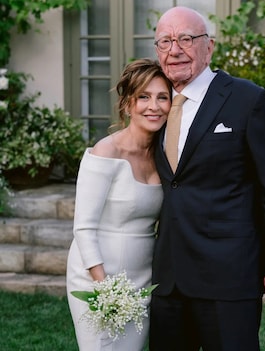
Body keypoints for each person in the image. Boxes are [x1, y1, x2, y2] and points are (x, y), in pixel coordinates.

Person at [149, 6, 265, 351]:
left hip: (229, 276)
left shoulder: (247, 99)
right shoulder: (155, 103)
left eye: (186, 39)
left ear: (209, 46)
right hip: (168, 278)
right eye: (165, 42)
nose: (175, 50)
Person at [66, 58, 172, 351]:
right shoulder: (106, 151)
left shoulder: (166, 155)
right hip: (97, 277)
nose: (154, 106)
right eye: (144, 97)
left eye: (163, 97)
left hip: (142, 280)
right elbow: (84, 227)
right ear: (127, 103)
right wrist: (106, 289)